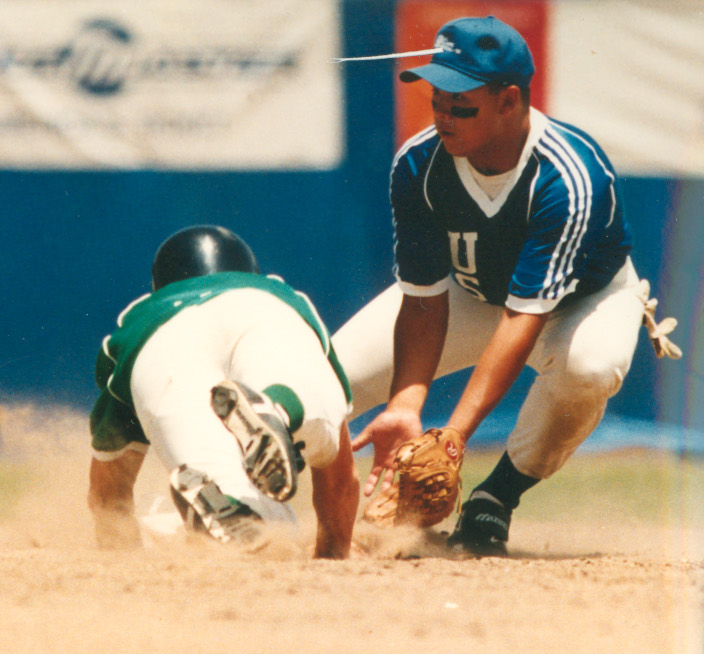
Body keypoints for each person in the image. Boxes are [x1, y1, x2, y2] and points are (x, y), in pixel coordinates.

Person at [333, 16, 672, 556]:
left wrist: (452, 439)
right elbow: (422, 303)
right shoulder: (419, 163)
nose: (443, 116)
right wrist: (404, 404)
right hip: (474, 293)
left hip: (580, 304)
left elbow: (523, 318)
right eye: (437, 99)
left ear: (509, 100)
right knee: (327, 379)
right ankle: (248, 504)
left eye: (461, 104)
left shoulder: (567, 174)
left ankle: (497, 496)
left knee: (589, 368)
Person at [86, 225, 360, 559]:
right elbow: (340, 477)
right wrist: (332, 555)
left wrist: (120, 559)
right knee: (317, 423)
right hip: (264, 314)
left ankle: (229, 499)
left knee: (249, 513)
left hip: (164, 340)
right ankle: (278, 409)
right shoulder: (279, 291)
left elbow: (108, 490)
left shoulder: (139, 317)